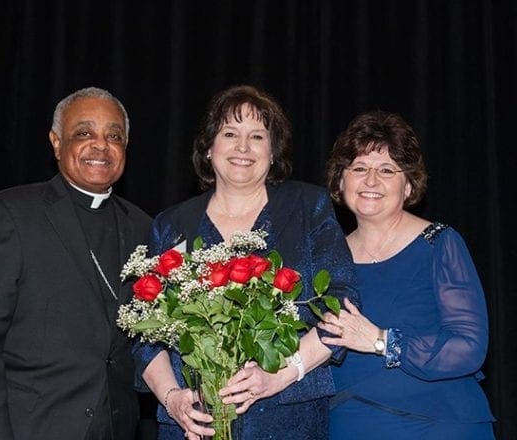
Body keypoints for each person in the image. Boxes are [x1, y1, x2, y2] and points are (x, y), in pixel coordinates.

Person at [133, 85, 359, 439]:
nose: (243, 147)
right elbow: (145, 333)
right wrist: (173, 399)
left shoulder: (307, 206)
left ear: (273, 151)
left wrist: (281, 374)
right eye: (229, 134)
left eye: (257, 136)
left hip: (287, 418)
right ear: (209, 148)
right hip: (195, 425)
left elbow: (344, 302)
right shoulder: (171, 224)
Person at [0, 86, 152, 439]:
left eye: (114, 136)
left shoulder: (144, 227)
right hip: (28, 427)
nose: (101, 145)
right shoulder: (12, 214)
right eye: (84, 133)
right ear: (56, 142)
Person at [319, 110, 496, 439]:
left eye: (386, 170)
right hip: (349, 425)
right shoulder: (324, 260)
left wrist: (381, 341)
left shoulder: (439, 244)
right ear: (340, 181)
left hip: (438, 423)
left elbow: (469, 347)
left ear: (409, 184)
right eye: (359, 168)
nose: (371, 180)